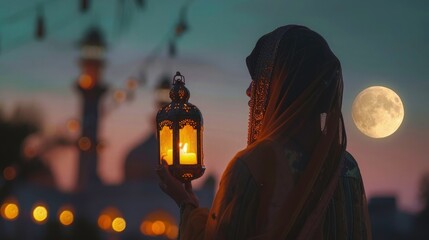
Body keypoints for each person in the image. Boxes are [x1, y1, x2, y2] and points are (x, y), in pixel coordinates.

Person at [157, 25, 372, 239]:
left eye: (260, 81)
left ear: (281, 87)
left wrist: (185, 204)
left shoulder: (255, 165)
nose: (250, 92)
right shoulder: (345, 168)